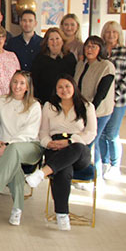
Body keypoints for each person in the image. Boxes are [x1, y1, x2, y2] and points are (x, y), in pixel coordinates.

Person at [25, 75, 97, 231]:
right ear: (56, 90)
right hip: (55, 146)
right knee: (63, 170)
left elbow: (91, 133)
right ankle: (62, 214)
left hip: (79, 149)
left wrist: (70, 142)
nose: (64, 90)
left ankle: (42, 173)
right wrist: (48, 143)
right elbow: (43, 131)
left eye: (67, 86)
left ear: (74, 87)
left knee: (76, 148)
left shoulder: (87, 106)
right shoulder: (49, 106)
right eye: (60, 87)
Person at [0, 71, 43, 225]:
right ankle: (17, 209)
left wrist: (8, 145)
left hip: (29, 147)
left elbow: (29, 133)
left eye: (22, 83)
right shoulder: (1, 101)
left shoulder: (34, 105)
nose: (17, 86)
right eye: (15, 82)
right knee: (14, 167)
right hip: (4, 147)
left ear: (27, 87)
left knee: (12, 152)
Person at [74, 36, 115, 179]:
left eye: (94, 46)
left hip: (99, 111)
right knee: (88, 143)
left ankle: (92, 176)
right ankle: (90, 175)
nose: (89, 49)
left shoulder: (106, 66)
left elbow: (101, 93)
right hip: (82, 110)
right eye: (87, 46)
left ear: (100, 49)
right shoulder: (80, 64)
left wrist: (89, 112)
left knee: (91, 143)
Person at [99, 21, 126, 179]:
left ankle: (115, 165)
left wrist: (113, 97)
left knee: (112, 133)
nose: (111, 35)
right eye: (108, 32)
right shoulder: (99, 51)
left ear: (119, 34)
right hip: (101, 100)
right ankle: (104, 162)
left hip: (118, 100)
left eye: (114, 32)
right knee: (100, 133)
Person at [31, 27, 77, 104]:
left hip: (65, 101)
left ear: (62, 41)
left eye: (57, 38)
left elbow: (73, 79)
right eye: (51, 39)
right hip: (44, 101)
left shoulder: (70, 58)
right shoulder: (40, 58)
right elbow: (34, 81)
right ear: (47, 43)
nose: (54, 42)